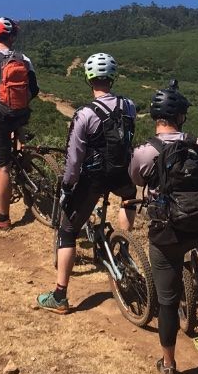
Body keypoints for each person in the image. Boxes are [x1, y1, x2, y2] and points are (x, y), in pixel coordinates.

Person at [125, 79, 198, 374]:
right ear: (181, 116)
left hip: (166, 235)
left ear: (157, 118)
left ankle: (169, 364)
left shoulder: (146, 151)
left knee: (167, 303)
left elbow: (137, 180)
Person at [36, 52, 137, 313]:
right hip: (123, 173)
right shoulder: (130, 106)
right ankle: (123, 246)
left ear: (88, 79)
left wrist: (68, 187)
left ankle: (60, 296)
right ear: (112, 77)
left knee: (67, 231)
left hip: (94, 178)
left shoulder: (84, 114)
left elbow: (73, 159)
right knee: (128, 197)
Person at [0, 17, 39, 230]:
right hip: (21, 114)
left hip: (0, 119)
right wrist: (19, 104)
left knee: (1, 168)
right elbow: (34, 89)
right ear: (11, 37)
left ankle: (2, 218)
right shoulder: (24, 59)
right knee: (18, 139)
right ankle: (26, 167)